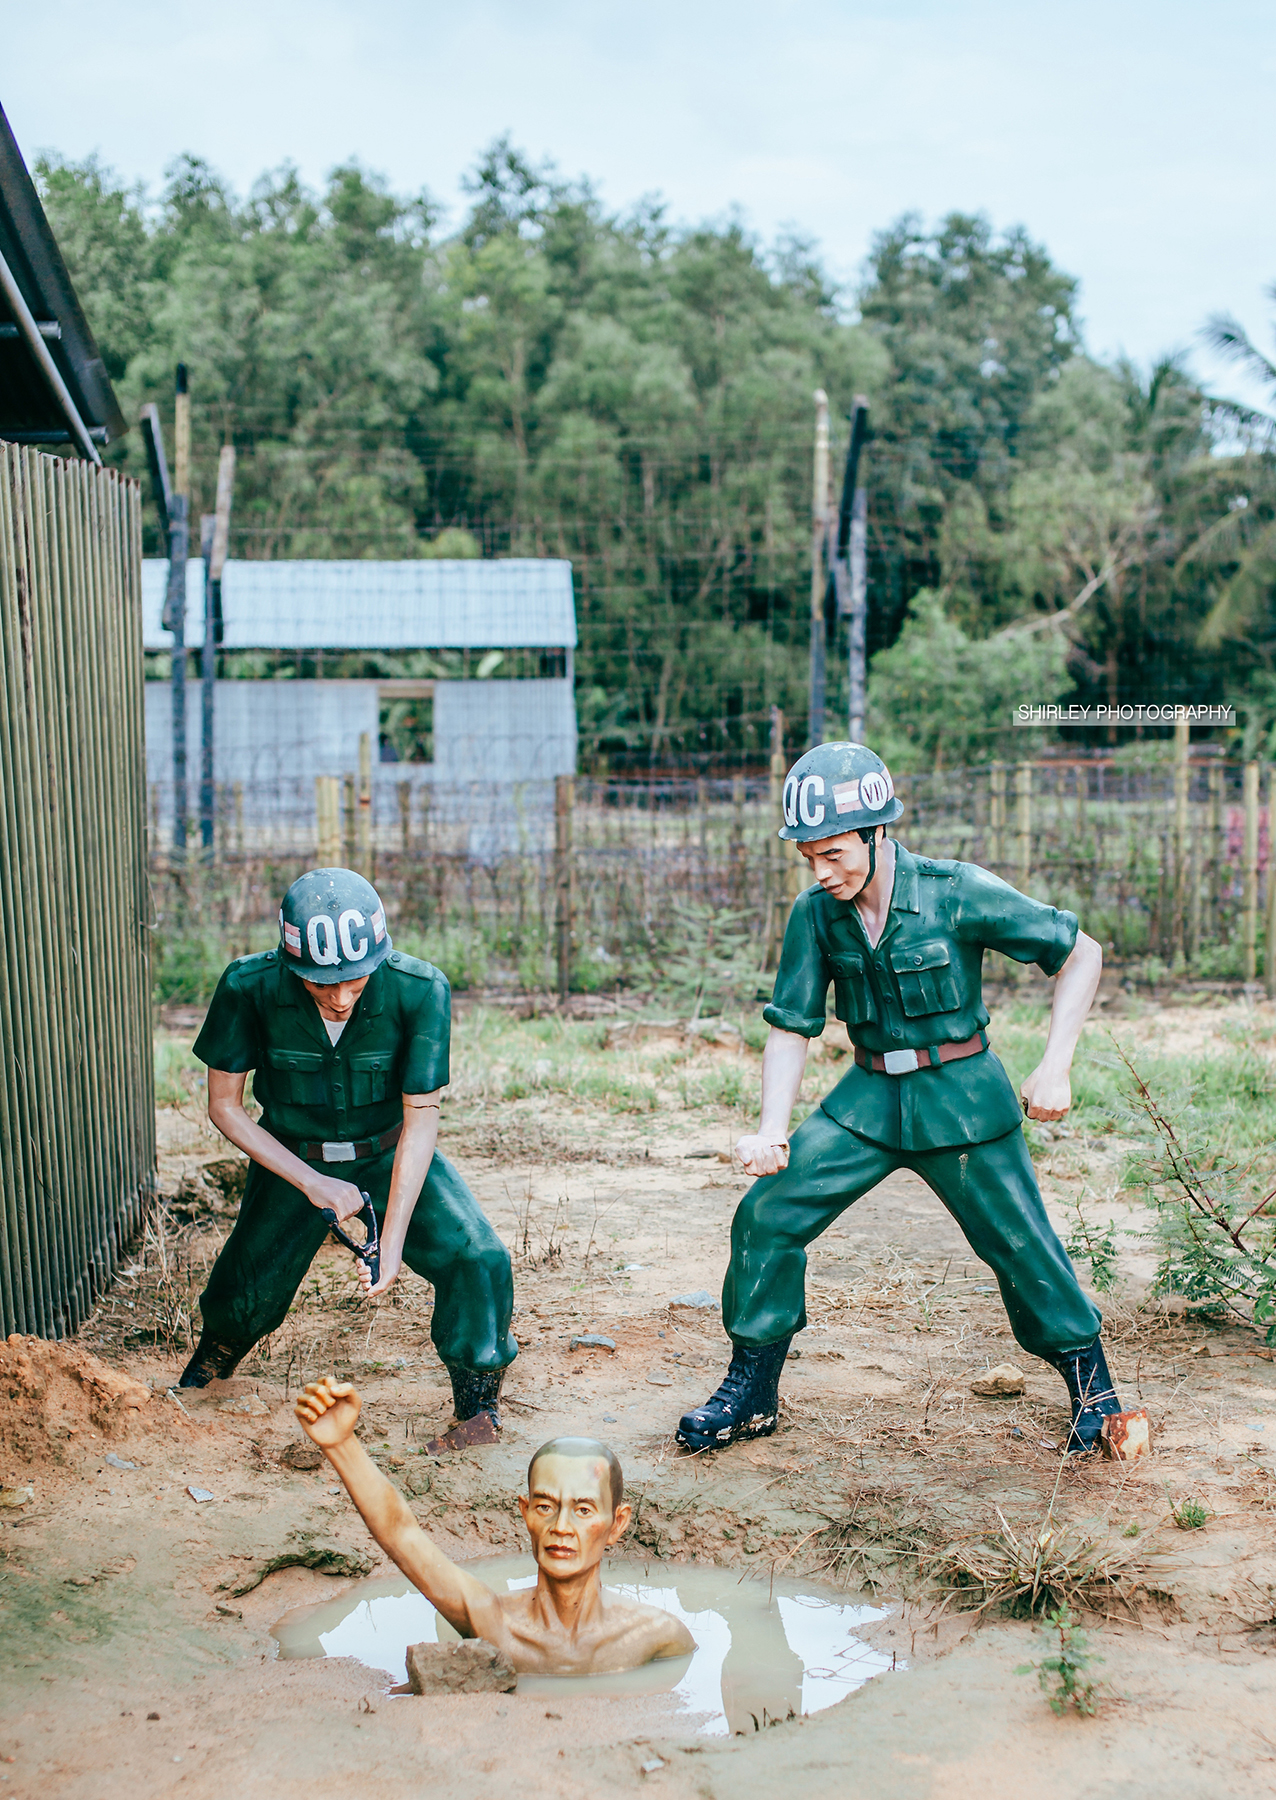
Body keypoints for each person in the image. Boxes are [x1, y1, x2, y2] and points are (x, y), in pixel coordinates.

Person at [677, 742, 1122, 1458]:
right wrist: (771, 1128)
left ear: (877, 832)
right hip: (868, 1099)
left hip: (963, 1100)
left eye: (834, 854)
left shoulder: (955, 890)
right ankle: (752, 1390)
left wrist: (1056, 1065)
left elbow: (1080, 953)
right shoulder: (816, 914)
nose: (822, 873)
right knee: (766, 1215)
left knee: (1021, 1245)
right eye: (808, 858)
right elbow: (791, 1027)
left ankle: (1094, 1395)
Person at [180, 867, 516, 1451]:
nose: (339, 997)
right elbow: (224, 1107)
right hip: (291, 1154)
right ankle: (204, 1378)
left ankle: (478, 1410)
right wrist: (312, 1183)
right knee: (246, 1284)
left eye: (356, 981)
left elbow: (420, 1122)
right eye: (320, 983)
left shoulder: (421, 990)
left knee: (478, 1258)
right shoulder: (246, 986)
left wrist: (392, 1237)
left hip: (389, 1148)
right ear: (291, 964)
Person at [296, 1375, 696, 1674]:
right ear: (525, 1513)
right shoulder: (493, 1624)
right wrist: (340, 1444)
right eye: (545, 1506)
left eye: (584, 1510)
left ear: (617, 1524)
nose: (561, 1526)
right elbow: (403, 1533)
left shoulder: (658, 1637)